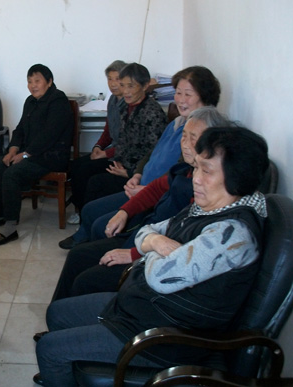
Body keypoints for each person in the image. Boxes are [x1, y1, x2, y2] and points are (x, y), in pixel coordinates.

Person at [34, 126, 269, 387]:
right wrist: (156, 242)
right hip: (145, 310)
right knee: (57, 313)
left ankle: (61, 369)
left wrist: (151, 247)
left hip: (166, 338)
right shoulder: (207, 209)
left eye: (207, 171)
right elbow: (148, 231)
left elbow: (159, 276)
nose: (196, 179)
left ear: (237, 178)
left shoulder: (231, 235)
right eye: (197, 168)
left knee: (49, 349)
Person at [50, 108, 230, 302]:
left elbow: (178, 241)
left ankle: (76, 314)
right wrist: (124, 212)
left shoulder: (205, 190)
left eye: (193, 138)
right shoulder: (185, 169)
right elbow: (156, 188)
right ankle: (57, 313)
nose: (184, 143)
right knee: (77, 255)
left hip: (152, 257)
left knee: (86, 280)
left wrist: (133, 253)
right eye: (183, 136)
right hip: (144, 237)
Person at [60, 65, 221, 249]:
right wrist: (136, 174)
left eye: (188, 94)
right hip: (140, 184)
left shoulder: (201, 133)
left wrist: (134, 178)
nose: (181, 99)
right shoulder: (177, 122)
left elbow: (177, 175)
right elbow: (152, 153)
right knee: (89, 201)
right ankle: (84, 239)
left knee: (100, 219)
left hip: (153, 195)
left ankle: (91, 248)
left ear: (204, 96)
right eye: (178, 93)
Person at [67, 63, 168, 223]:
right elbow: (122, 140)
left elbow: (154, 153)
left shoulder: (152, 113)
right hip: (122, 162)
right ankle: (84, 218)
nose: (125, 91)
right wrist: (104, 151)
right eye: (123, 85)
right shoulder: (126, 107)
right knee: (81, 168)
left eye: (130, 86)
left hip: (136, 172)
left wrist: (130, 172)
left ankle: (90, 224)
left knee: (95, 182)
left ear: (145, 86)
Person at [0, 64, 73, 246]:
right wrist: (13, 149)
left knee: (12, 173)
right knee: (0, 165)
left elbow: (49, 135)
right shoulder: (30, 101)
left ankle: (10, 227)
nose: (33, 85)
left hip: (52, 156)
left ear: (49, 82)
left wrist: (25, 155)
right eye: (29, 81)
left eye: (37, 81)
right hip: (31, 154)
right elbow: (20, 129)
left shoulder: (58, 101)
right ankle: (1, 214)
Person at [66, 60, 127, 225]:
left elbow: (126, 142)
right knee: (76, 165)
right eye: (109, 79)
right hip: (111, 151)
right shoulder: (112, 100)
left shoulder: (128, 104)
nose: (113, 84)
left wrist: (105, 154)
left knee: (86, 170)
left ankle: (86, 213)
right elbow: (108, 130)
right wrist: (98, 147)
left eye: (117, 79)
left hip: (121, 156)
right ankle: (79, 209)